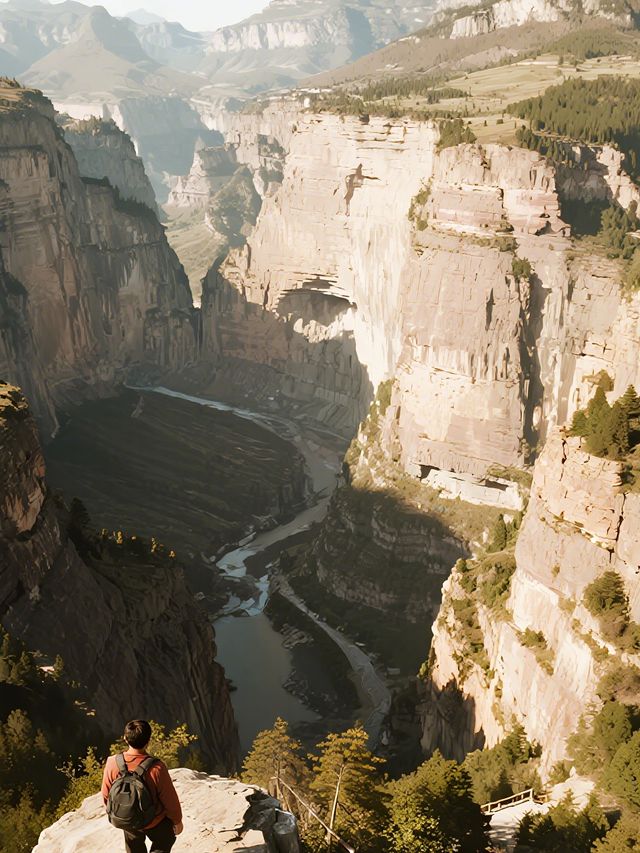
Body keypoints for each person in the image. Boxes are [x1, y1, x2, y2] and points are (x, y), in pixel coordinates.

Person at [102, 719, 184, 853]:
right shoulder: (157, 768)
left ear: (125, 739)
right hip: (154, 820)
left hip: (128, 818)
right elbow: (170, 800)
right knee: (166, 838)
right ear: (148, 741)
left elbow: (106, 795)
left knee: (133, 845)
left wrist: (121, 811)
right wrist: (177, 821)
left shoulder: (112, 763)